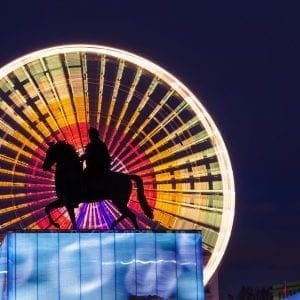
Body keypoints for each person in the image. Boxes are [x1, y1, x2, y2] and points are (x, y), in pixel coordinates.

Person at [81, 127, 111, 199]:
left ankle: (86, 192)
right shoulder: (97, 144)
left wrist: (84, 157)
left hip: (97, 167)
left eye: (91, 135)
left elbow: (94, 155)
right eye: (90, 135)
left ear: (95, 135)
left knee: (83, 177)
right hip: (96, 167)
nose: (90, 137)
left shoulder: (97, 144)